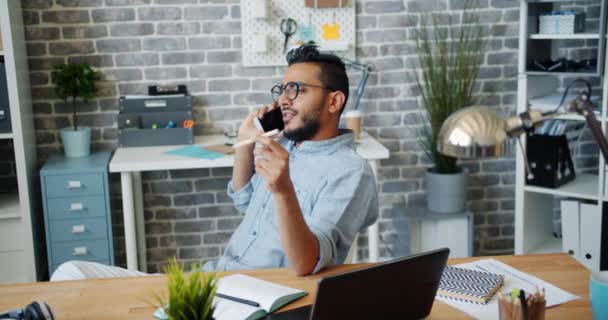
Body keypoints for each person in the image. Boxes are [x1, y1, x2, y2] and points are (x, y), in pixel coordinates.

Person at [50, 44, 377, 280]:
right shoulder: (289, 147)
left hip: (260, 295)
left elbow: (308, 262)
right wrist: (244, 142)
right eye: (282, 89)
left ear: (334, 101)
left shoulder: (350, 172)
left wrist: (283, 190)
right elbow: (244, 200)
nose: (284, 99)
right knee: (70, 271)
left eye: (298, 90)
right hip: (216, 276)